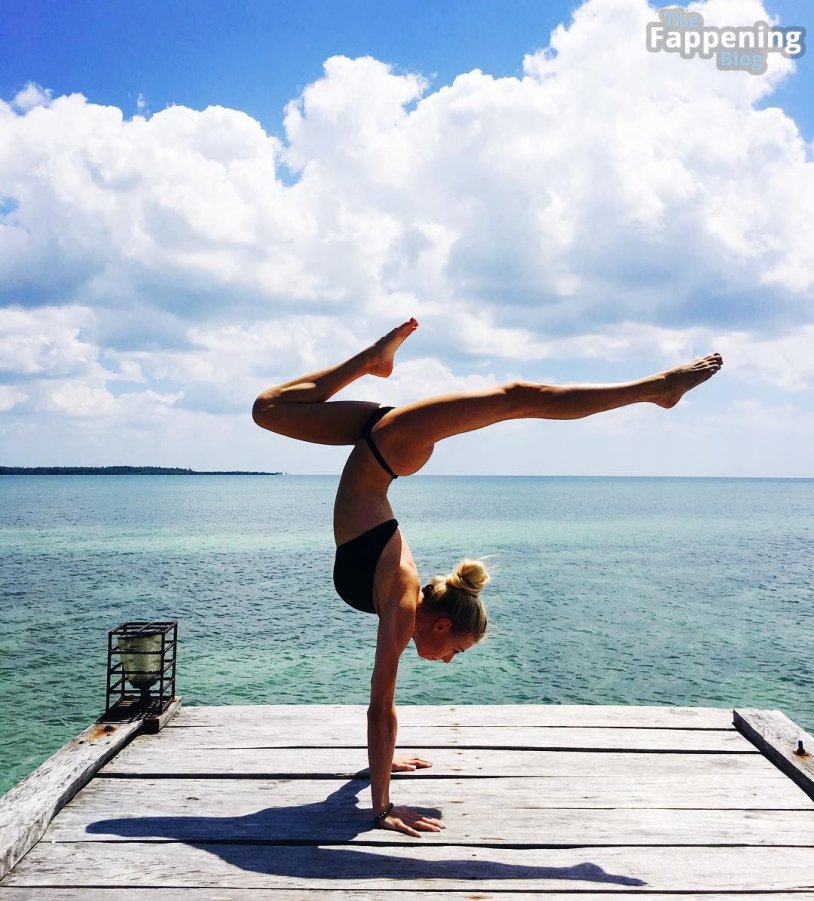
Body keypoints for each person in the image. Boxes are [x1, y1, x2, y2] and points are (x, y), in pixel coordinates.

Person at [251, 318, 723, 837]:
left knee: (269, 410)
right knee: (518, 396)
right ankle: (658, 389)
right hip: (388, 444)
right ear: (438, 626)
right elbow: (380, 710)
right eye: (457, 650)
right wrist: (382, 808)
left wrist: (379, 770)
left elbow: (382, 716)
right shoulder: (404, 602)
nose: (449, 660)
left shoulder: (401, 595)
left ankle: (371, 363)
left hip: (379, 445)